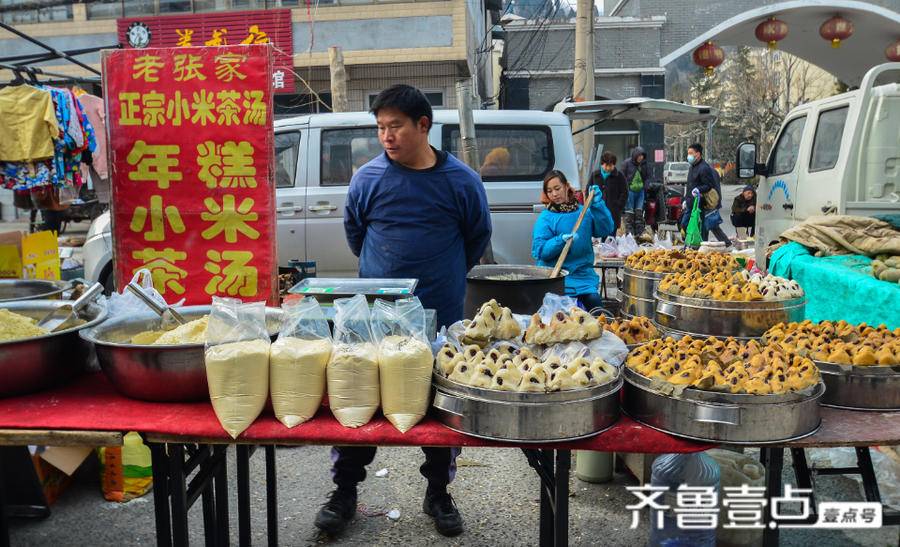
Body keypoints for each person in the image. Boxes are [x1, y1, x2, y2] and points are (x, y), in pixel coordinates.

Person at [318, 85, 492, 538]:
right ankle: (345, 491)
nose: (386, 136)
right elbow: (356, 234)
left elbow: (476, 238)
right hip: (374, 318)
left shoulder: (461, 182)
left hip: (439, 314)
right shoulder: (368, 179)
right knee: (360, 400)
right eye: (380, 127)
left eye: (395, 126)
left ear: (423, 125)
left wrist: (443, 276)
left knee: (439, 407)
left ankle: (438, 492)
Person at [532, 170, 615, 312]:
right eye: (549, 191)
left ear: (566, 186)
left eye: (557, 189)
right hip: (556, 279)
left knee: (598, 312)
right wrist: (560, 241)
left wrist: (598, 206)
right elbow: (540, 251)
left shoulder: (584, 213)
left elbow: (605, 229)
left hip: (583, 277)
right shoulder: (546, 218)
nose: (554, 194)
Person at [683, 143, 731, 247]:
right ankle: (691, 245)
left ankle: (700, 248)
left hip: (701, 203)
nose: (688, 156)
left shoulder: (704, 168)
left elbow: (709, 186)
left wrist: (698, 190)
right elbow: (690, 185)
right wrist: (685, 199)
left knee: (704, 227)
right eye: (688, 153)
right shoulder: (692, 167)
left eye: (691, 153)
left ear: (698, 154)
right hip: (691, 203)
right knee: (685, 224)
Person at [589, 151, 627, 233]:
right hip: (599, 211)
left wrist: (619, 205)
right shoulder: (595, 175)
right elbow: (588, 190)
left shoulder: (619, 176)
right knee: (601, 234)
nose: (608, 168)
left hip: (613, 211)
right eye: (606, 165)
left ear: (614, 165)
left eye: (611, 165)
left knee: (611, 237)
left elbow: (624, 192)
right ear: (602, 164)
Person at [620, 146, 649, 236]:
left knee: (639, 212)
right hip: (630, 191)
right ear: (635, 155)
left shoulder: (644, 165)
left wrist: (646, 186)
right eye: (639, 156)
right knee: (629, 212)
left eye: (642, 156)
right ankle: (630, 233)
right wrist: (625, 189)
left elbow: (647, 177)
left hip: (640, 191)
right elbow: (622, 176)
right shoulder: (627, 163)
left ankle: (640, 232)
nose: (641, 158)